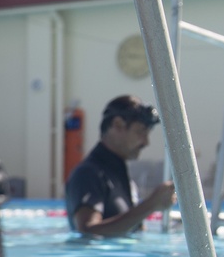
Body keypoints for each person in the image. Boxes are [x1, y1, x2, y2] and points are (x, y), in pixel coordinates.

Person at [65, 94, 176, 236]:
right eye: (140, 132)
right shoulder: (88, 174)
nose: (145, 142)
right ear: (117, 125)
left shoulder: (118, 174)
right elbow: (88, 231)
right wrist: (151, 205)